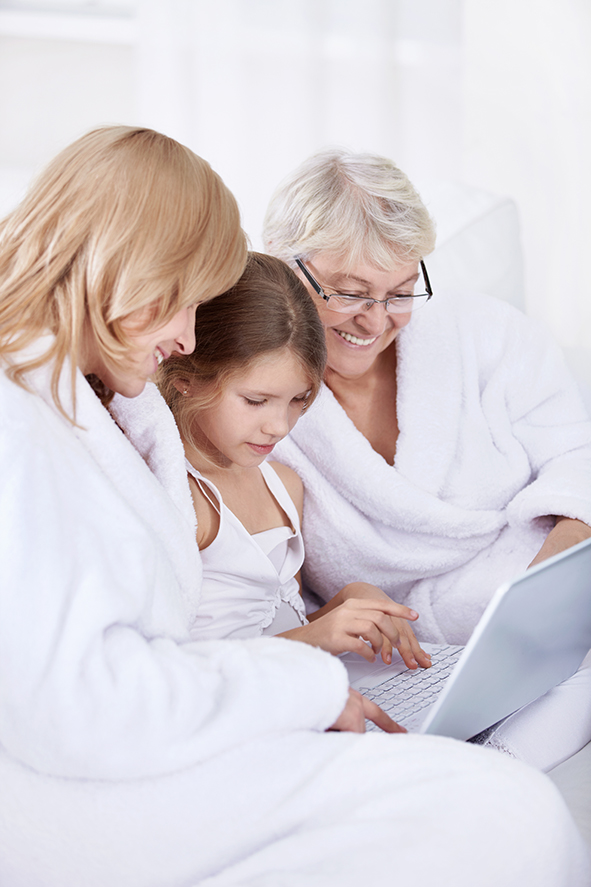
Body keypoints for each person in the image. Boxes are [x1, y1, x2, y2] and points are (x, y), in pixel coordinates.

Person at [0, 127, 588, 887]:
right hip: (92, 785)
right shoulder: (30, 423)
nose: (185, 338)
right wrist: (302, 684)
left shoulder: (93, 399)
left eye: (397, 291)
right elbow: (88, 702)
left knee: (512, 810)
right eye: (181, 304)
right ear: (127, 266)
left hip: (196, 714)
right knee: (513, 816)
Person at [264, 148, 591, 771]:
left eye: (401, 292)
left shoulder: (489, 335)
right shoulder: (256, 403)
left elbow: (579, 461)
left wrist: (541, 596)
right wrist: (336, 609)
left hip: (543, 633)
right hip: (407, 661)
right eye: (352, 293)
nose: (377, 320)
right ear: (285, 265)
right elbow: (272, 584)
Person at [158, 251, 431, 670]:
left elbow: (280, 627)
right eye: (256, 401)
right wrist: (316, 636)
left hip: (300, 692)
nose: (279, 426)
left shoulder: (284, 486)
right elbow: (169, 669)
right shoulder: (178, 498)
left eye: (299, 400)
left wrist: (348, 602)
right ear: (186, 382)